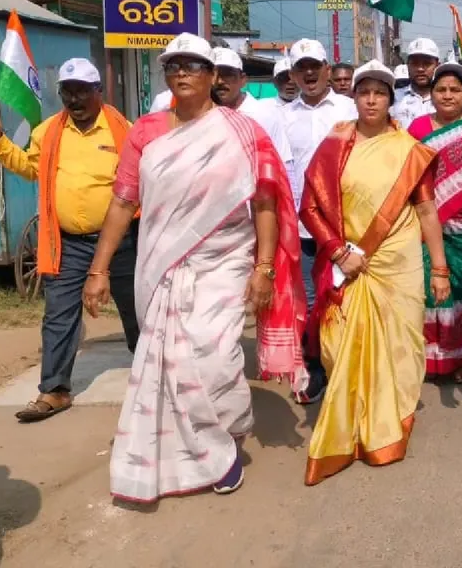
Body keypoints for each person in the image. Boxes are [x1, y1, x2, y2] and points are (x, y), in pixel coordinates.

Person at [84, 34, 306, 503]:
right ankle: (191, 453)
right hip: (160, 264)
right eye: (173, 65)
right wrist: (99, 270)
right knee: (166, 359)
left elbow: (266, 200)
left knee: (216, 354)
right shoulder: (145, 131)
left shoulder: (242, 132)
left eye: (193, 65)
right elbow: (124, 202)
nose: (182, 72)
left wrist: (264, 268)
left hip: (224, 259)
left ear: (213, 77)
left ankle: (223, 439)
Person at [300, 60, 450, 485]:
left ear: (390, 99)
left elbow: (425, 209)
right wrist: (336, 251)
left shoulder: (407, 150)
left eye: (380, 93)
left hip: (397, 264)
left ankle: (386, 427)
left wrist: (439, 268)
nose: (371, 99)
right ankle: (350, 423)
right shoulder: (334, 145)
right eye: (364, 91)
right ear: (354, 96)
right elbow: (309, 207)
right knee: (339, 343)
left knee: (400, 344)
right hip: (348, 264)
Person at [0, 57, 140, 423]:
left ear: (98, 92)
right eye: (67, 91)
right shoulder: (48, 132)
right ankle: (54, 389)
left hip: (120, 241)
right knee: (58, 315)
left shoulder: (124, 130)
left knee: (138, 310)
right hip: (67, 242)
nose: (75, 99)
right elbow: (29, 168)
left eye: (82, 91)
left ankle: (153, 374)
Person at [279, 38, 358, 403]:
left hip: (344, 225)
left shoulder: (349, 109)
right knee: (310, 305)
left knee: (344, 300)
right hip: (301, 227)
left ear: (328, 69)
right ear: (293, 74)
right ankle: (317, 369)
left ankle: (349, 370)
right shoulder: (282, 117)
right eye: (301, 68)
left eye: (315, 66)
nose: (309, 74)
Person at [406, 64, 462, 384]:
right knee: (429, 293)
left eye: (455, 90)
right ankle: (429, 360)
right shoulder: (415, 130)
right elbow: (408, 178)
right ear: (431, 94)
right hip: (426, 225)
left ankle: (461, 359)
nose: (447, 95)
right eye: (441, 90)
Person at [210, 48, 295, 170]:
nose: (220, 81)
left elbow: (284, 164)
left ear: (243, 80)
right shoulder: (202, 116)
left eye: (228, 75)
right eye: (214, 75)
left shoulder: (263, 115)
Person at [392, 38, 440, 127]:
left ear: (437, 65)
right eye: (415, 63)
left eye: (427, 64)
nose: (420, 69)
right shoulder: (394, 97)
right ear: (407, 65)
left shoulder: (446, 99)